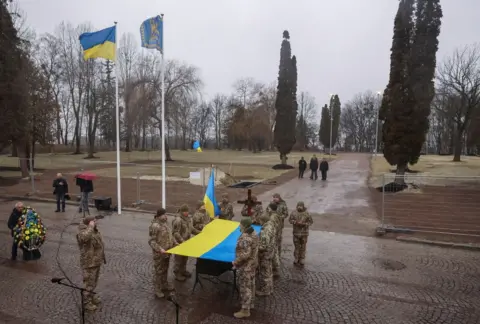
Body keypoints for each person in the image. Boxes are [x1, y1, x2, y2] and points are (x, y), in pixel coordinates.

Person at [76, 216, 106, 312]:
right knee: (88, 283)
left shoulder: (93, 229)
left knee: (94, 282)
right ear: (89, 223)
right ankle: (86, 303)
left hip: (96, 261)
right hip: (89, 262)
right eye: (94, 221)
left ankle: (91, 296)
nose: (96, 222)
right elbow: (84, 238)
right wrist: (90, 227)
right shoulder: (83, 231)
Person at [232, 217, 259, 319]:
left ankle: (245, 310)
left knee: (244, 287)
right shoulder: (254, 234)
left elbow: (244, 255)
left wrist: (236, 262)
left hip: (245, 266)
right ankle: (250, 304)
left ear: (244, 225)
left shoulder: (245, 238)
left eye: (241, 224)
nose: (239, 226)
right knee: (251, 285)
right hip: (252, 265)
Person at [149, 208, 177, 298]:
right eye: (164, 214)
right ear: (159, 215)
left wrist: (175, 243)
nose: (166, 216)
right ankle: (158, 289)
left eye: (166, 214)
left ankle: (164, 285)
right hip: (159, 253)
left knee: (165, 269)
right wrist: (159, 249)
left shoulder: (166, 223)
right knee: (159, 271)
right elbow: (151, 241)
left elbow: (170, 236)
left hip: (167, 252)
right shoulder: (155, 226)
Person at [172, 204, 195, 281]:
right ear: (182, 211)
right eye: (185, 211)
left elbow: (191, 229)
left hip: (186, 242)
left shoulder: (189, 219)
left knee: (185, 258)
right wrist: (182, 241)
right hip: (179, 243)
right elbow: (175, 232)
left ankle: (183, 270)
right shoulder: (178, 220)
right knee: (178, 259)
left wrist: (201, 232)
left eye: (187, 211)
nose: (187, 213)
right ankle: (177, 273)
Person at [256, 213, 275, 296]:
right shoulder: (271, 225)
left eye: (260, 220)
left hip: (265, 254)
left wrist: (255, 248)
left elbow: (263, 246)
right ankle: (270, 288)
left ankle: (265, 290)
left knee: (265, 272)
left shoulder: (265, 230)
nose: (259, 222)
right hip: (270, 252)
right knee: (269, 270)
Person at [288, 201, 313, 266]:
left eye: (301, 206)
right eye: (298, 206)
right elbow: (290, 220)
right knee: (296, 247)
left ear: (303, 206)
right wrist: (295, 222)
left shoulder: (307, 214)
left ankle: (302, 258)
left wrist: (304, 224)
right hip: (296, 233)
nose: (299, 207)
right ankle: (296, 258)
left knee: (303, 246)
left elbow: (310, 222)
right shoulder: (294, 213)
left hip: (304, 233)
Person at [266, 202, 282, 278]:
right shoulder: (277, 215)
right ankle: (276, 269)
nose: (267, 209)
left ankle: (275, 269)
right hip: (276, 236)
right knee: (275, 253)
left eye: (268, 208)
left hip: (273, 237)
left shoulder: (272, 217)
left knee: (274, 253)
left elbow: (272, 228)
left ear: (271, 209)